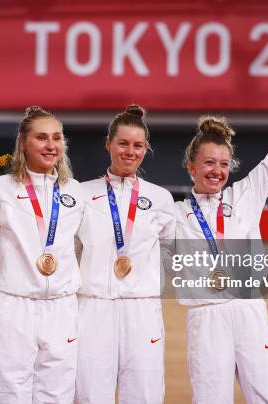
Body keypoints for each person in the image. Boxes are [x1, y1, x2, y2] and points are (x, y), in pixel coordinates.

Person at [174, 95, 268, 403]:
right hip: (206, 319)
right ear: (191, 167)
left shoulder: (245, 196)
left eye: (223, 164)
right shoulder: (172, 215)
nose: (216, 171)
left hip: (248, 312)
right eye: (208, 163)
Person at [74, 105, 176, 404]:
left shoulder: (160, 198)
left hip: (142, 311)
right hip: (93, 308)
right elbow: (70, 252)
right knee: (90, 395)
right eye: (123, 143)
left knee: (144, 396)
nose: (130, 151)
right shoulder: (80, 193)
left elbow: (172, 258)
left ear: (146, 149)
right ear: (108, 144)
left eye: (138, 145)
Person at [0, 106, 84, 403]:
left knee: (57, 394)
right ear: (23, 143)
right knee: (9, 392)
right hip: (13, 306)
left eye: (57, 138)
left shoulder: (76, 192)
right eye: (41, 138)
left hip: (61, 308)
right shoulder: (0, 189)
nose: (51, 145)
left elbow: (80, 248)